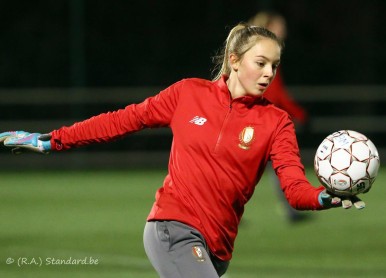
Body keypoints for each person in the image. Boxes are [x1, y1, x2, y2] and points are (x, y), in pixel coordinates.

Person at [0, 23, 365, 278]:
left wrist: (324, 197)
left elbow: (295, 189)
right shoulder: (188, 95)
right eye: (261, 63)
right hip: (172, 228)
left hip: (218, 247)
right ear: (234, 60)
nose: (269, 73)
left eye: (275, 65)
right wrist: (51, 140)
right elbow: (121, 121)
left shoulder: (277, 122)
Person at [249, 11, 309, 222]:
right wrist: (298, 113)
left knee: (275, 165)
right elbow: (273, 93)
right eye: (279, 26)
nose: (284, 30)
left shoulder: (265, 52)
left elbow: (276, 92)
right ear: (269, 27)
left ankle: (291, 209)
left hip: (262, 118)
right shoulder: (262, 52)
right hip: (258, 119)